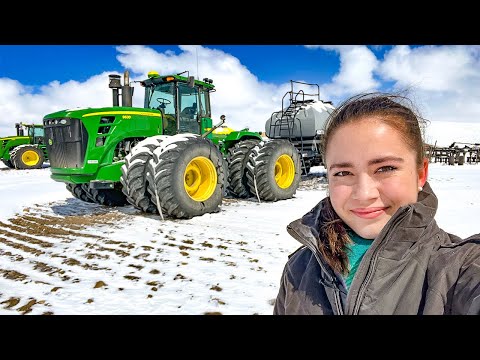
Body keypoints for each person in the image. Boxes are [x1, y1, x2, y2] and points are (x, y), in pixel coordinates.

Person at [273, 92, 480, 315]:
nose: (363, 194)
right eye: (343, 172)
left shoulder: (459, 268)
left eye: (385, 168)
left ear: (421, 173)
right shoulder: (299, 269)